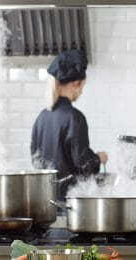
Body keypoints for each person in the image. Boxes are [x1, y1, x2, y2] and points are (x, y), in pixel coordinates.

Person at [30, 50, 108, 200]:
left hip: (46, 202)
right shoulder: (75, 118)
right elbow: (84, 163)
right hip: (70, 203)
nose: (82, 91)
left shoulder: (41, 117)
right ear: (75, 84)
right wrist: (99, 158)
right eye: (82, 86)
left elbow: (36, 160)